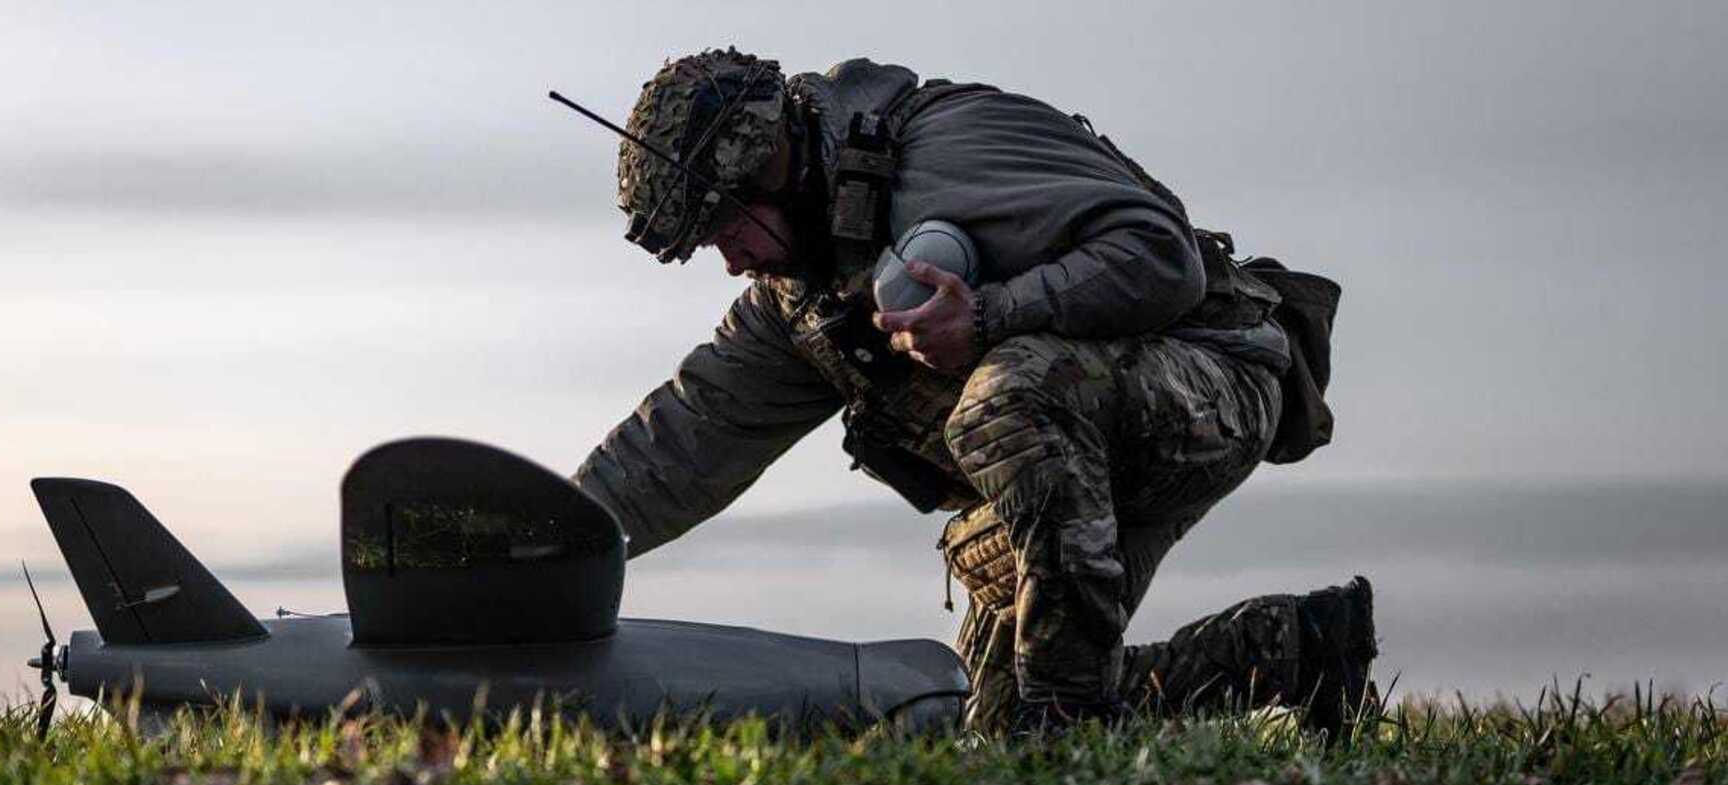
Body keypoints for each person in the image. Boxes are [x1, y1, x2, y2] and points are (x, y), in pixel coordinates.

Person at [569, 48, 1376, 734]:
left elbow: (1162, 259)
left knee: (1009, 399)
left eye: (724, 231)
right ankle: (1291, 651)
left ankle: (1070, 726)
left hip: (1212, 379)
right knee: (992, 723)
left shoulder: (954, 150)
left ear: (767, 168)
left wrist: (990, 314)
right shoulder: (799, 300)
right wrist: (531, 544)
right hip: (1068, 448)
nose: (732, 261)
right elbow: (681, 442)